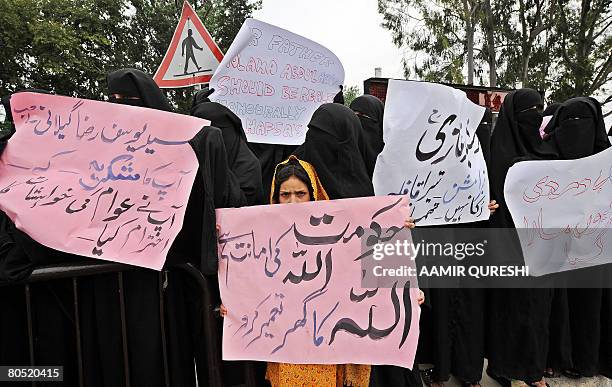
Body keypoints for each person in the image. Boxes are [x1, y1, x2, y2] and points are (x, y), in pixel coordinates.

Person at [220, 155, 423, 387]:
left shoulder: (339, 230)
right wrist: (235, 306)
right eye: (285, 195)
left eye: (300, 194)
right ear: (275, 197)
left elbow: (369, 266)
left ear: (314, 192)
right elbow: (249, 283)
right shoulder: (263, 238)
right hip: (287, 345)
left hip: (328, 341)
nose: (293, 202)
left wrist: (396, 228)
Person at [486, 89, 558, 387]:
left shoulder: (551, 154)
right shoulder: (494, 156)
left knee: (537, 310)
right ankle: (502, 367)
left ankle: (533, 371)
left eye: (539, 109)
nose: (535, 116)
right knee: (508, 309)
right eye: (528, 111)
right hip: (507, 246)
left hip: (542, 246)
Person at [544, 97, 611, 379]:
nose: (575, 131)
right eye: (569, 122)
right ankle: (559, 357)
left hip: (597, 245)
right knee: (559, 305)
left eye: (582, 122)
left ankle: (587, 359)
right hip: (558, 246)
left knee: (591, 304)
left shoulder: (607, 161)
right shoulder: (547, 157)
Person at [191, 101, 264, 205]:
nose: (211, 140)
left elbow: (242, 207)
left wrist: (217, 168)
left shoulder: (249, 167)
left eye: (216, 134)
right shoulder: (188, 164)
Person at [349, 94, 385, 179]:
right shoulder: (344, 151)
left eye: (363, 115)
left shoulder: (389, 162)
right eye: (353, 114)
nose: (357, 119)